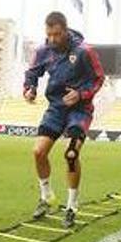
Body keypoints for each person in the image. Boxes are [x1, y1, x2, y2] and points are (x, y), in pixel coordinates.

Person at [24, 11, 104, 229]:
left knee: (71, 154)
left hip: (80, 110)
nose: (52, 39)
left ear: (65, 30)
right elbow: (32, 73)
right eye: (49, 34)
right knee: (38, 152)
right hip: (56, 108)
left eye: (57, 34)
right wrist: (29, 88)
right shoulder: (43, 50)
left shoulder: (84, 51)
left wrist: (81, 94)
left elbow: (98, 78)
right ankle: (46, 196)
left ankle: (71, 207)